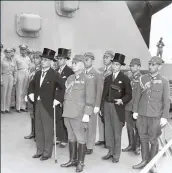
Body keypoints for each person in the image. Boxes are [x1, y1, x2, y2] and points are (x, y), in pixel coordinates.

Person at [132, 56, 170, 173]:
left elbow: (166, 100)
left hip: (155, 116)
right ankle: (144, 160)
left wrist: (164, 116)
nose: (150, 66)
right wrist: (135, 111)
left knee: (153, 140)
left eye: (153, 65)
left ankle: (152, 164)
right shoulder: (143, 78)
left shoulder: (164, 81)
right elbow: (137, 96)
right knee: (143, 138)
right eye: (149, 64)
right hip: (142, 114)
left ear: (159, 67)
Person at [28, 48, 65, 161]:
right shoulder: (38, 73)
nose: (42, 61)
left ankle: (47, 152)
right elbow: (32, 85)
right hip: (37, 104)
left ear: (50, 62)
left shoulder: (54, 74)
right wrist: (30, 93)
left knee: (47, 130)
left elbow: (63, 87)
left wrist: (58, 99)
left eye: (45, 60)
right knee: (38, 128)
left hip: (48, 105)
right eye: (42, 59)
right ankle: (39, 150)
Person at [61, 55, 95, 172]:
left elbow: (90, 98)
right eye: (73, 63)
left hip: (79, 114)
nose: (73, 65)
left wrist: (87, 113)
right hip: (68, 112)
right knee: (71, 137)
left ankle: (80, 163)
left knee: (80, 138)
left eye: (76, 63)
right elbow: (66, 94)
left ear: (82, 64)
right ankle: (72, 160)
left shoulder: (88, 79)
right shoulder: (70, 78)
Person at [101, 53, 132, 163]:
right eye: (113, 64)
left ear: (121, 66)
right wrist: (101, 107)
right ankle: (110, 151)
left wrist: (122, 100)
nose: (115, 66)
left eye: (117, 64)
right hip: (107, 106)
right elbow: (104, 93)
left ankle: (116, 155)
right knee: (108, 130)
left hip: (117, 108)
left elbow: (129, 94)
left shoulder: (124, 78)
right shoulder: (108, 78)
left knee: (116, 132)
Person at [84, 52, 103, 155]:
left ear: (92, 60)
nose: (85, 61)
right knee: (83, 124)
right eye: (84, 59)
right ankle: (83, 143)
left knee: (91, 126)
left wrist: (97, 105)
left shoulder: (97, 73)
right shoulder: (81, 72)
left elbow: (99, 91)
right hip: (82, 104)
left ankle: (90, 146)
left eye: (87, 59)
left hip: (91, 104)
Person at [55, 48, 74, 148]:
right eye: (58, 59)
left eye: (61, 59)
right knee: (57, 119)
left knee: (64, 120)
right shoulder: (55, 70)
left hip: (64, 99)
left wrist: (63, 99)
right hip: (56, 99)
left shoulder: (69, 71)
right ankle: (59, 137)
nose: (59, 61)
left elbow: (69, 87)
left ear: (66, 60)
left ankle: (65, 139)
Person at [122, 58, 142, 155]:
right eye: (131, 65)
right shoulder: (129, 77)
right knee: (129, 126)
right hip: (128, 106)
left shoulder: (141, 78)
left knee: (137, 127)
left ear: (139, 67)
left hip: (136, 107)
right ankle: (130, 145)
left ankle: (137, 146)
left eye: (134, 65)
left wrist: (137, 109)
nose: (132, 67)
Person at [96, 50, 114, 147]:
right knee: (100, 118)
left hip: (108, 97)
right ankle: (102, 139)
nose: (104, 59)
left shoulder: (113, 69)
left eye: (107, 57)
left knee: (108, 119)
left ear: (112, 58)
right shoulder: (100, 69)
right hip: (100, 96)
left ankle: (108, 141)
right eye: (104, 57)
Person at [24, 51, 42, 140]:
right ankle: (33, 132)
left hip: (37, 95)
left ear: (41, 59)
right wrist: (26, 94)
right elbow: (29, 83)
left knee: (38, 115)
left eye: (37, 58)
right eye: (34, 58)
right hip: (30, 94)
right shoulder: (32, 69)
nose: (35, 60)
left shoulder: (42, 70)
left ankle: (38, 134)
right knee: (32, 114)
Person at [15, 45, 31, 112]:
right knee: (19, 90)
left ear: (26, 50)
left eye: (24, 49)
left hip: (26, 72)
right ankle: (18, 107)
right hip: (20, 72)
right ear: (20, 50)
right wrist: (15, 77)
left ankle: (23, 107)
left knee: (25, 90)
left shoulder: (28, 58)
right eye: (22, 49)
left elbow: (29, 67)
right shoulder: (17, 57)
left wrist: (29, 74)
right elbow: (15, 68)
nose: (23, 51)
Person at [1, 48, 17, 113]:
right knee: (3, 93)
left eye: (10, 52)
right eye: (7, 52)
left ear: (11, 53)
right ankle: (2, 109)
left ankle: (7, 109)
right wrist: (1, 79)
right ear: (5, 53)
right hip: (4, 76)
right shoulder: (2, 61)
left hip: (11, 77)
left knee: (9, 93)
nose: (8, 53)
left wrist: (15, 79)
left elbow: (15, 71)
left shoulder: (13, 61)